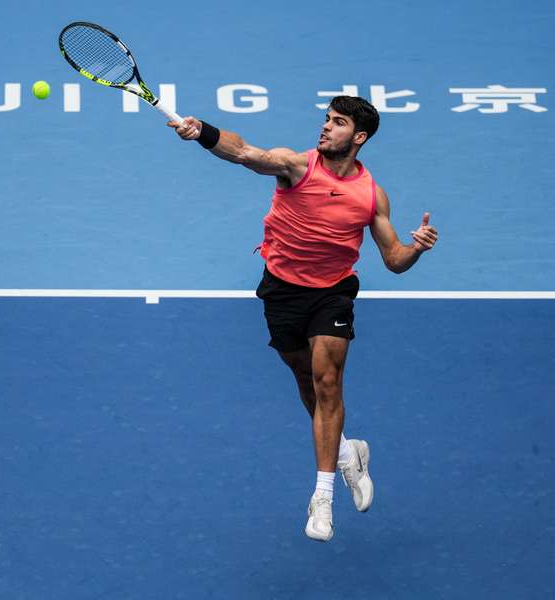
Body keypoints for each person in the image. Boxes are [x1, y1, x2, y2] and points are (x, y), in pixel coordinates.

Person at [168, 96, 438, 542]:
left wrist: (417, 249)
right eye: (327, 119)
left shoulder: (372, 195)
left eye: (338, 123)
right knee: (305, 380)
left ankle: (323, 498)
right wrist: (205, 134)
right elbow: (244, 152)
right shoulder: (296, 166)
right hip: (282, 290)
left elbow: (394, 259)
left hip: (332, 293)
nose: (325, 127)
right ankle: (349, 450)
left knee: (327, 381)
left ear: (360, 137)